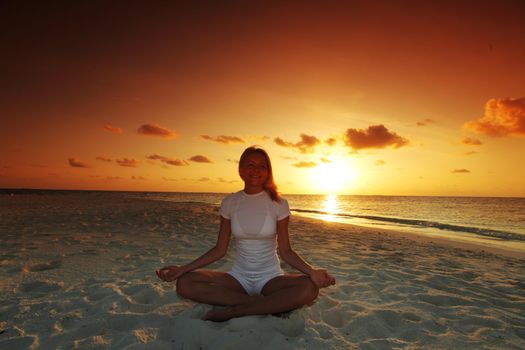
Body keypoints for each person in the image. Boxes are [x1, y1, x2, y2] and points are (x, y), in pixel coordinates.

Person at [156, 146, 335, 321]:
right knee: (185, 283)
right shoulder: (230, 202)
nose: (256, 170)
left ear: (268, 171)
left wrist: (312, 272)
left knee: (309, 288)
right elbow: (219, 249)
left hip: (270, 278)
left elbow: (286, 251)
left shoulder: (279, 203)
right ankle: (260, 304)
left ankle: (235, 312)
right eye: (250, 165)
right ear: (241, 170)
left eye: (262, 166)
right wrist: (183, 269)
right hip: (238, 278)